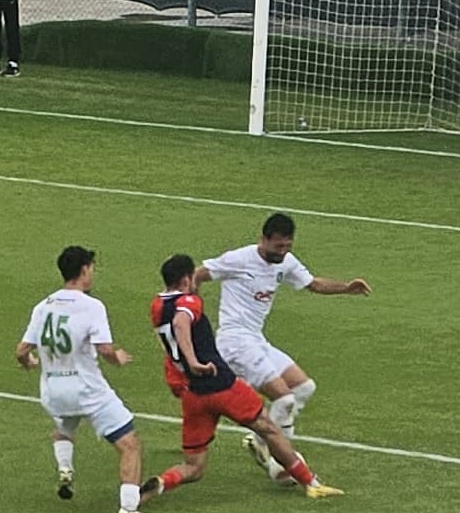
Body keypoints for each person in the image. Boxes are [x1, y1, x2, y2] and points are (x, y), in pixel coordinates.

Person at [148, 255, 337, 497]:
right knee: (268, 428)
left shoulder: (156, 306)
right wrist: (195, 361)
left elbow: (171, 335)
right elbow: (181, 322)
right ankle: (310, 483)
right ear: (186, 280)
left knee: (194, 467)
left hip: (192, 393)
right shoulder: (189, 302)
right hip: (222, 385)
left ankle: (157, 485)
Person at [198, 212, 368, 461]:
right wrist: (189, 311)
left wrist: (346, 288)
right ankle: (279, 462)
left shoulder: (286, 262)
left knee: (303, 388)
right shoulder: (238, 259)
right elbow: (197, 275)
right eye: (278, 246)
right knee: (285, 399)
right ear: (263, 239)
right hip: (234, 342)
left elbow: (312, 283)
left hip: (256, 339)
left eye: (288, 246)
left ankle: (261, 441)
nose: (282, 251)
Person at [15, 242, 154, 513]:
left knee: (64, 427)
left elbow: (21, 351)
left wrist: (29, 362)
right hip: (87, 390)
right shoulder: (92, 306)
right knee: (129, 444)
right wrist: (118, 358)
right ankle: (129, 509)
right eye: (91, 268)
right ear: (84, 270)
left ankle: (65, 467)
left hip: (53, 392)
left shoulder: (43, 306)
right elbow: (104, 349)